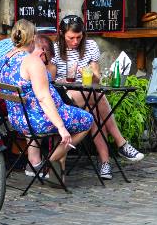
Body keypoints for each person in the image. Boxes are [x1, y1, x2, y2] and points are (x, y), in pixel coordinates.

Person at [0, 19, 93, 187]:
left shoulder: (5, 59)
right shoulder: (32, 62)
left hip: (18, 119)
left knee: (65, 117)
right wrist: (61, 127)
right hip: (38, 119)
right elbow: (43, 97)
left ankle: (55, 173)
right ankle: (52, 161)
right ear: (33, 38)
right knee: (87, 120)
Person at [49, 14, 144, 180]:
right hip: (65, 95)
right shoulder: (56, 49)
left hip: (87, 94)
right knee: (97, 95)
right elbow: (50, 79)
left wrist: (88, 74)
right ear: (62, 34)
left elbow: (97, 79)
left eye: (79, 37)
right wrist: (62, 79)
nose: (75, 41)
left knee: (93, 112)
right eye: (71, 37)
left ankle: (105, 163)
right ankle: (121, 143)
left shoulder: (90, 46)